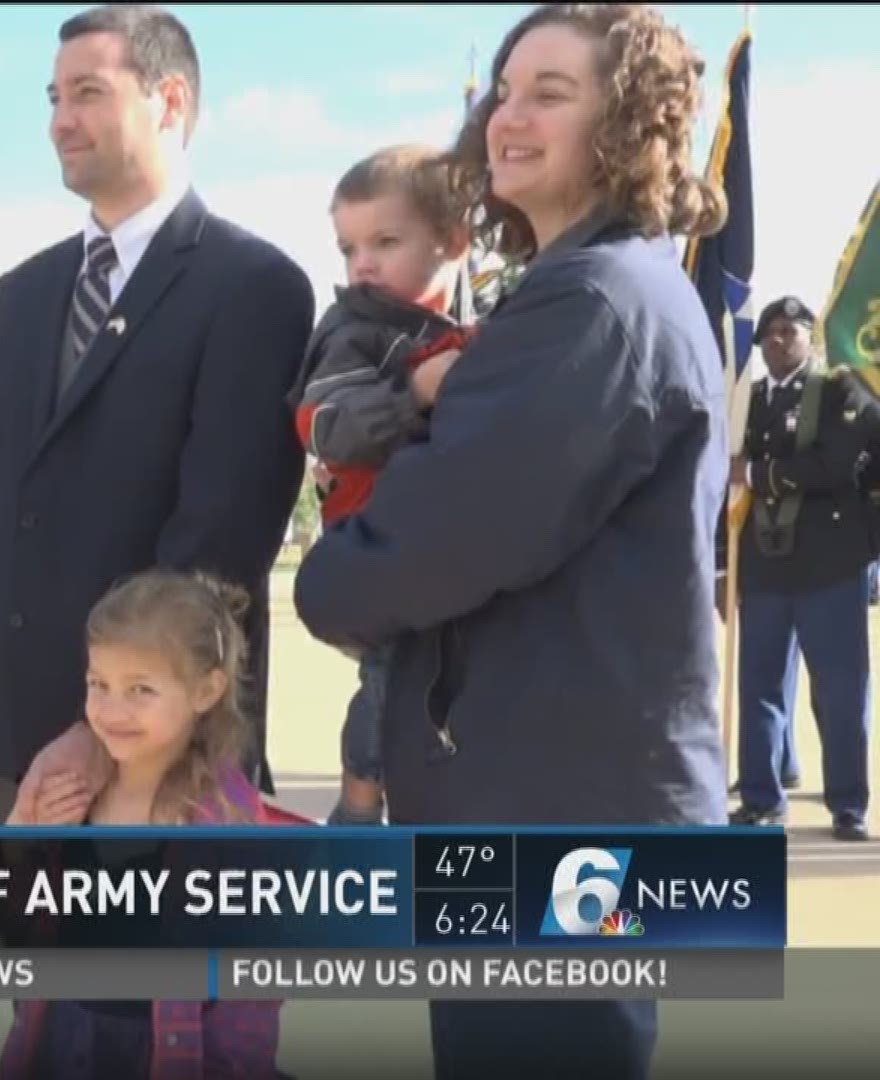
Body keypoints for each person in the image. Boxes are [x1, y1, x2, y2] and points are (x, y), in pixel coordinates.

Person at [293, 4, 729, 1075]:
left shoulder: (595, 304)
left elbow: (428, 547)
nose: (507, 117)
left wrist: (324, 578)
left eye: (552, 92)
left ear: (625, 124)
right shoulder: (585, 289)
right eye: (504, 90)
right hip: (542, 798)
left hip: (562, 815)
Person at [0, 3, 314, 825]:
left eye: (88, 93)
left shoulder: (254, 287)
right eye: (53, 98)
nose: (61, 121)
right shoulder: (21, 295)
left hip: (165, 771)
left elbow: (218, 542)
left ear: (169, 103)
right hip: (15, 758)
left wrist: (101, 731)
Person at [0, 569, 283, 1079]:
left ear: (206, 691)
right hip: (60, 1045)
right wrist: (20, 834)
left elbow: (251, 997)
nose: (111, 710)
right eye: (98, 684)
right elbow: (13, 921)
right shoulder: (75, 793)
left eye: (140, 690)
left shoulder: (227, 823)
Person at [290, 145, 475, 827]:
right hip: (374, 542)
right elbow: (326, 424)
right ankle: (357, 806)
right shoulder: (354, 332)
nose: (362, 263)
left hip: (430, 542)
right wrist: (414, 391)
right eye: (349, 247)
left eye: (385, 242)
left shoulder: (456, 330)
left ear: (452, 240)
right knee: (389, 680)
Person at [730, 296, 871, 841]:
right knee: (760, 685)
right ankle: (763, 797)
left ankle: (848, 803)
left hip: (830, 565)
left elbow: (834, 464)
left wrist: (759, 471)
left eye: (789, 331)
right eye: (768, 334)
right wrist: (726, 570)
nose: (776, 341)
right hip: (765, 566)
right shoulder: (750, 400)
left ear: (811, 337)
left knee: (839, 689)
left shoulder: (841, 391)